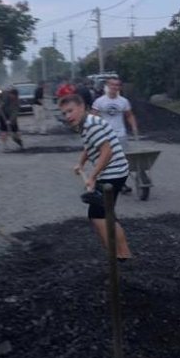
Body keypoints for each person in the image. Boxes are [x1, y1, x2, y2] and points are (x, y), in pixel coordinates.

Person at [59, 94, 132, 261]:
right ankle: (121, 253)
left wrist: (92, 177)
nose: (68, 116)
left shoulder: (91, 125)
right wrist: (81, 163)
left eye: (70, 111)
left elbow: (107, 151)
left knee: (98, 215)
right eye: (64, 113)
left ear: (82, 107)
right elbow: (90, 146)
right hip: (114, 171)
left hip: (113, 172)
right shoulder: (85, 124)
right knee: (104, 214)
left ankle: (118, 254)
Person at [91, 76, 139, 194]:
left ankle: (121, 183)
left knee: (122, 160)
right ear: (107, 86)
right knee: (105, 159)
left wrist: (133, 127)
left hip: (120, 134)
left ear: (120, 87)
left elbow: (129, 115)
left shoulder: (123, 101)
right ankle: (100, 181)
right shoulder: (100, 101)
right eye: (112, 85)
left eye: (117, 85)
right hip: (105, 135)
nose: (115, 87)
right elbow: (93, 116)